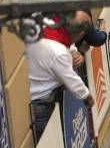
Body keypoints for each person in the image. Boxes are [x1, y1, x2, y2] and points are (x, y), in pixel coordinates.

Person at [26, 10, 95, 140]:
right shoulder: (59, 53)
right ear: (80, 34)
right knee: (48, 144)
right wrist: (88, 97)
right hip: (42, 102)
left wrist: (73, 51)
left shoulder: (44, 21)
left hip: (33, 86)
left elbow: (65, 41)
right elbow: (72, 81)